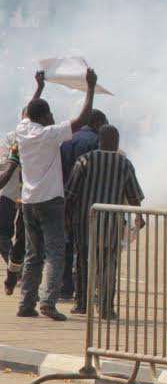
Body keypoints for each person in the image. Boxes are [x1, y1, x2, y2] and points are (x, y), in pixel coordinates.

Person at [16, 68, 98, 321]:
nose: (53, 117)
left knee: (33, 254)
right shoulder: (47, 134)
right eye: (49, 113)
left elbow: (26, 112)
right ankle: (48, 301)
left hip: (29, 200)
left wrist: (39, 87)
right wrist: (91, 88)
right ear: (42, 116)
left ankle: (26, 302)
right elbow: (82, 119)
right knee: (55, 252)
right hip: (50, 200)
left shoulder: (22, 129)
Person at [64, 125, 144, 316]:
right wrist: (139, 218)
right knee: (109, 264)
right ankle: (107, 307)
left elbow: (71, 194)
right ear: (117, 143)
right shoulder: (124, 163)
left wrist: (66, 217)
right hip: (111, 225)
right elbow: (134, 196)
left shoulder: (84, 160)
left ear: (99, 140)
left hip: (85, 222)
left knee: (83, 261)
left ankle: (82, 303)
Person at [58, 108, 108, 302]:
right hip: (91, 201)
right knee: (89, 248)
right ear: (97, 123)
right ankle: (87, 291)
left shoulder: (67, 140)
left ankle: (65, 289)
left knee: (67, 245)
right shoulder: (97, 142)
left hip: (66, 197)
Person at [0, 135, 22, 295]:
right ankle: (15, 269)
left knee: (8, 236)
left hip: (13, 195)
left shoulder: (15, 139)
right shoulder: (11, 139)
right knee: (4, 235)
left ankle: (16, 270)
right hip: (8, 193)